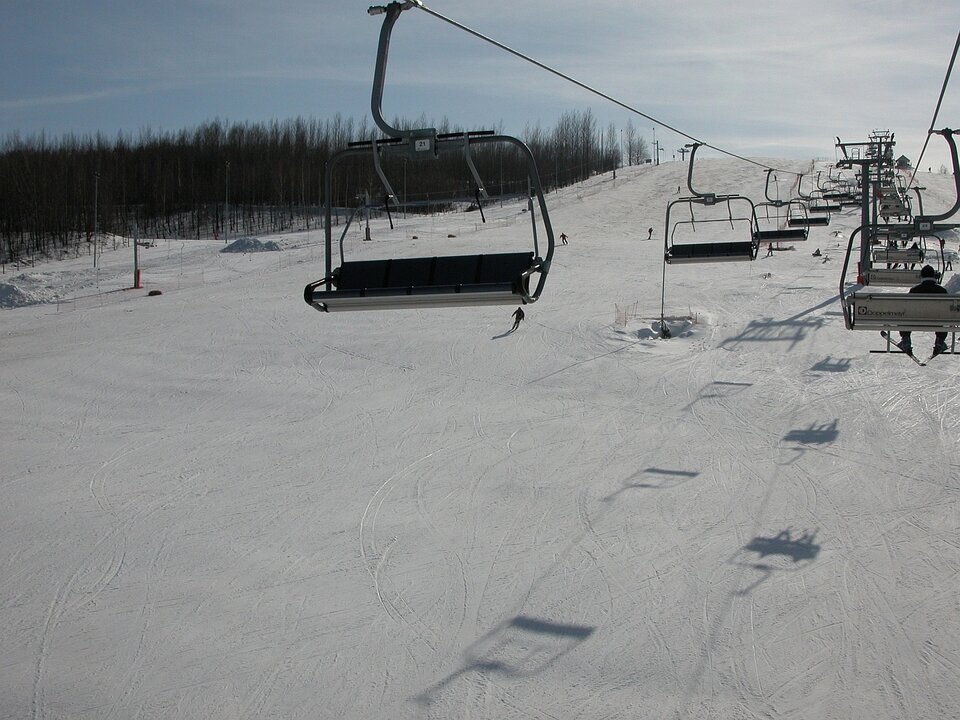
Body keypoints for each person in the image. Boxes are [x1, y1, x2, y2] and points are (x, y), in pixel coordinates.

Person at [898, 265, 948, 356]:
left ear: (922, 276)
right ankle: (939, 341)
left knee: (905, 315)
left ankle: (906, 340)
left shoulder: (914, 290)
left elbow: (906, 308)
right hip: (938, 322)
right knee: (943, 316)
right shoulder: (942, 291)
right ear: (934, 276)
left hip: (915, 321)